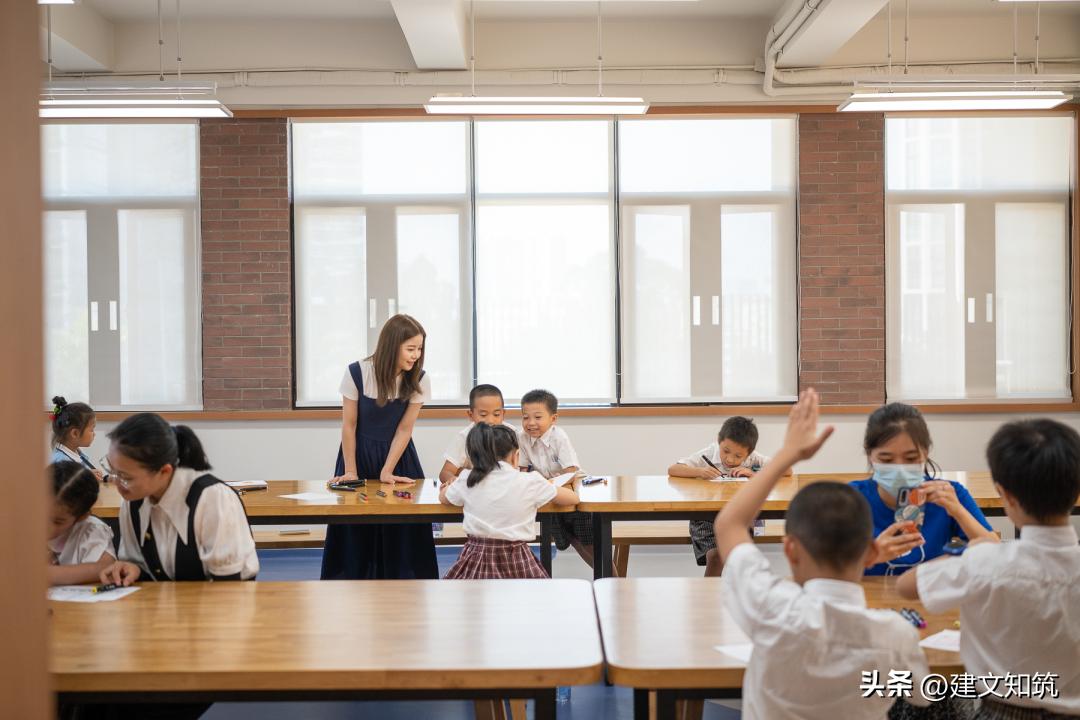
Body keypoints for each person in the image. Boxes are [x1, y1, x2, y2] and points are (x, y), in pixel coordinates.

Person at [715, 389, 931, 720]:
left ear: (790, 549)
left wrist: (789, 454)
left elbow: (730, 524)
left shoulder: (770, 606)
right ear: (871, 551)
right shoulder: (895, 633)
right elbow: (922, 696)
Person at [897, 419, 1080, 719]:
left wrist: (966, 552)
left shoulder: (984, 562)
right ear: (1075, 493)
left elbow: (907, 585)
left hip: (1001, 710)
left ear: (1004, 495)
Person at [321, 314, 438, 580]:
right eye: (410, 349)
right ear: (391, 345)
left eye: (419, 349)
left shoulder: (420, 378)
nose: (416, 355)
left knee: (403, 528)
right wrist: (351, 472)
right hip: (357, 456)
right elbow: (349, 426)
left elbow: (405, 428)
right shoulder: (356, 372)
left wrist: (387, 470)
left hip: (399, 457)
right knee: (355, 526)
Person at [99, 413, 258, 584]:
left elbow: (227, 585)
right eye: (111, 470)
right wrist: (134, 569)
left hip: (224, 601)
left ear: (164, 471)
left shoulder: (211, 498)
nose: (116, 483)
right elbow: (139, 564)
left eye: (125, 477)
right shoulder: (132, 502)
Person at [851, 403, 995, 576]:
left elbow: (994, 552)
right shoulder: (852, 499)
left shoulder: (950, 494)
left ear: (925, 453)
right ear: (870, 455)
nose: (900, 469)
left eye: (911, 458)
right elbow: (822, 566)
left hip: (930, 599)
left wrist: (958, 511)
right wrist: (870, 556)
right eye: (887, 460)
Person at [441, 423, 577, 578]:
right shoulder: (530, 481)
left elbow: (444, 498)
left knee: (470, 599)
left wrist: (448, 485)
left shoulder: (467, 478)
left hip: (475, 559)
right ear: (516, 456)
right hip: (515, 558)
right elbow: (572, 498)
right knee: (530, 599)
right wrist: (547, 485)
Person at [668, 416, 772, 576]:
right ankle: (708, 599)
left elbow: (788, 471)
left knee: (741, 558)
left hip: (738, 517)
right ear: (719, 441)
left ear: (748, 453)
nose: (730, 459)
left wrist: (753, 473)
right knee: (716, 557)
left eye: (738, 456)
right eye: (726, 451)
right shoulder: (708, 454)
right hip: (705, 517)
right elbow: (673, 469)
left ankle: (738, 596)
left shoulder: (753, 459)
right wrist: (699, 471)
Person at [516, 389, 590, 567]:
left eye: (538, 417)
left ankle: (611, 578)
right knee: (568, 537)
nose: (531, 423)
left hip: (571, 486)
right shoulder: (521, 437)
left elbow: (570, 471)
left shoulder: (559, 437)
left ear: (553, 419)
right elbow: (522, 469)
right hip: (549, 493)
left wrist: (548, 485)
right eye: (526, 417)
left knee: (587, 540)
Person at [47, 462, 115, 586]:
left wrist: (47, 574)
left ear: (82, 517)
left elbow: (105, 567)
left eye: (57, 521)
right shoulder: (22, 523)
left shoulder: (91, 530)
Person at [438, 384, 518, 487]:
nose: (490, 420)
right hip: (477, 488)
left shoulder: (511, 433)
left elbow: (519, 469)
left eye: (496, 414)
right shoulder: (465, 436)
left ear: (503, 413)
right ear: (471, 415)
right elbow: (445, 472)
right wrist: (454, 479)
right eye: (483, 415)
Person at [49, 395, 105, 481]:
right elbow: (63, 487)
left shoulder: (78, 456)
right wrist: (86, 477)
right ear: (75, 433)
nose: (94, 434)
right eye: (91, 430)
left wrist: (104, 478)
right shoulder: (60, 461)